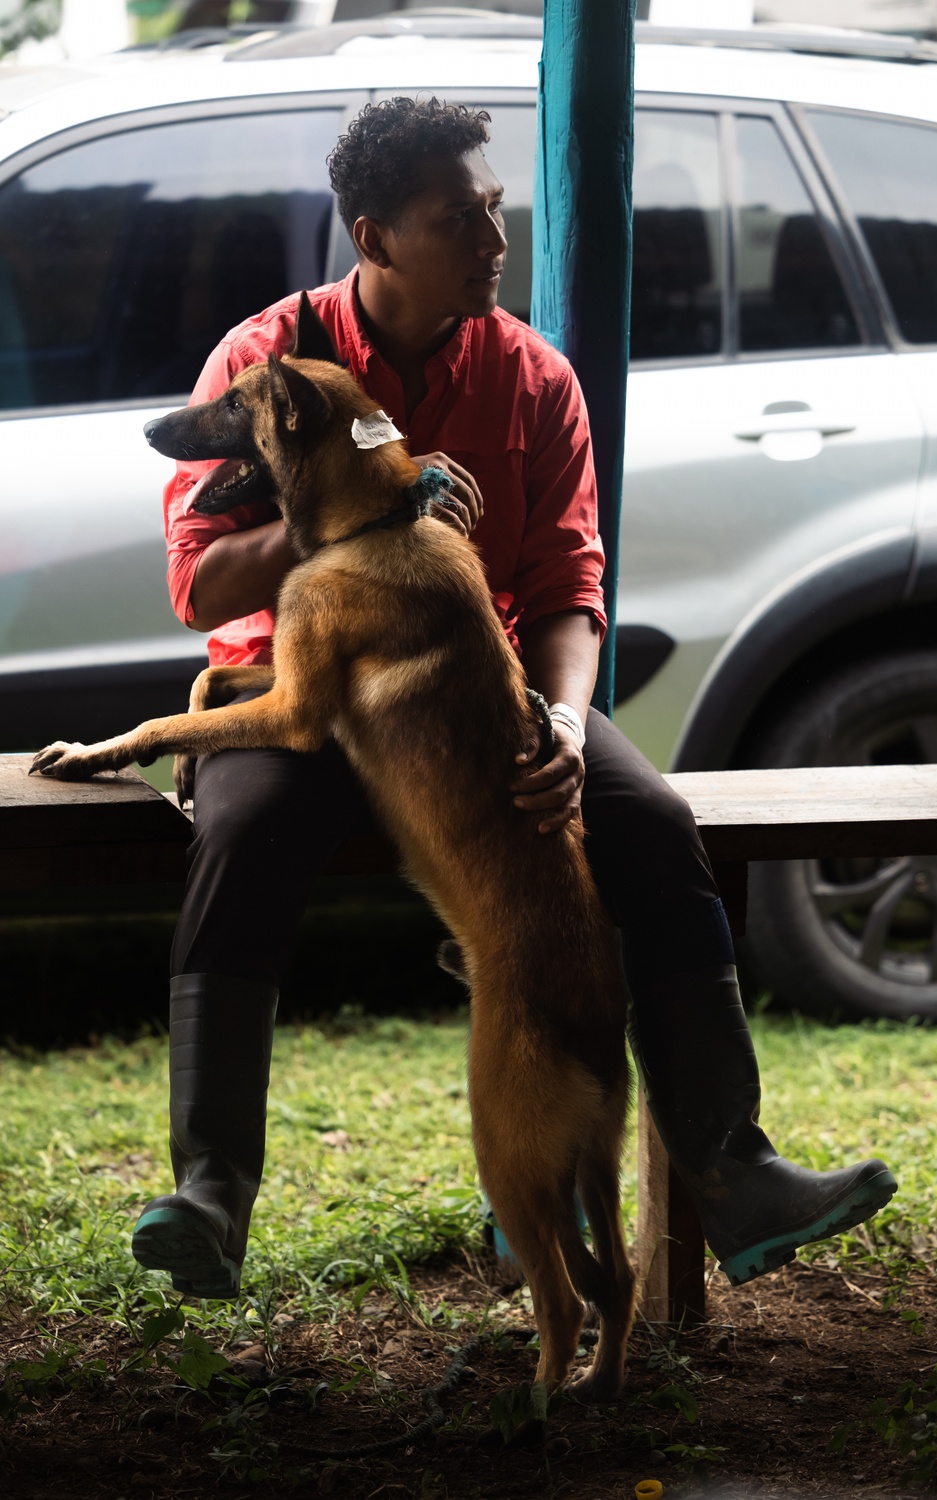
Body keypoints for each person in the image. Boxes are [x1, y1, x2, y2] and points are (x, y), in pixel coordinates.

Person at [132, 97, 897, 1301]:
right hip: (311, 694)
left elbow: (567, 585)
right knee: (243, 830)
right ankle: (212, 1190)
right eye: (460, 219)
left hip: (474, 694)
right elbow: (198, 581)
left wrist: (557, 718)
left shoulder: (532, 377)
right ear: (375, 239)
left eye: (493, 210)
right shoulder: (267, 361)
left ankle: (731, 1166)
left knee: (648, 824)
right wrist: (363, 500)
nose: (494, 240)